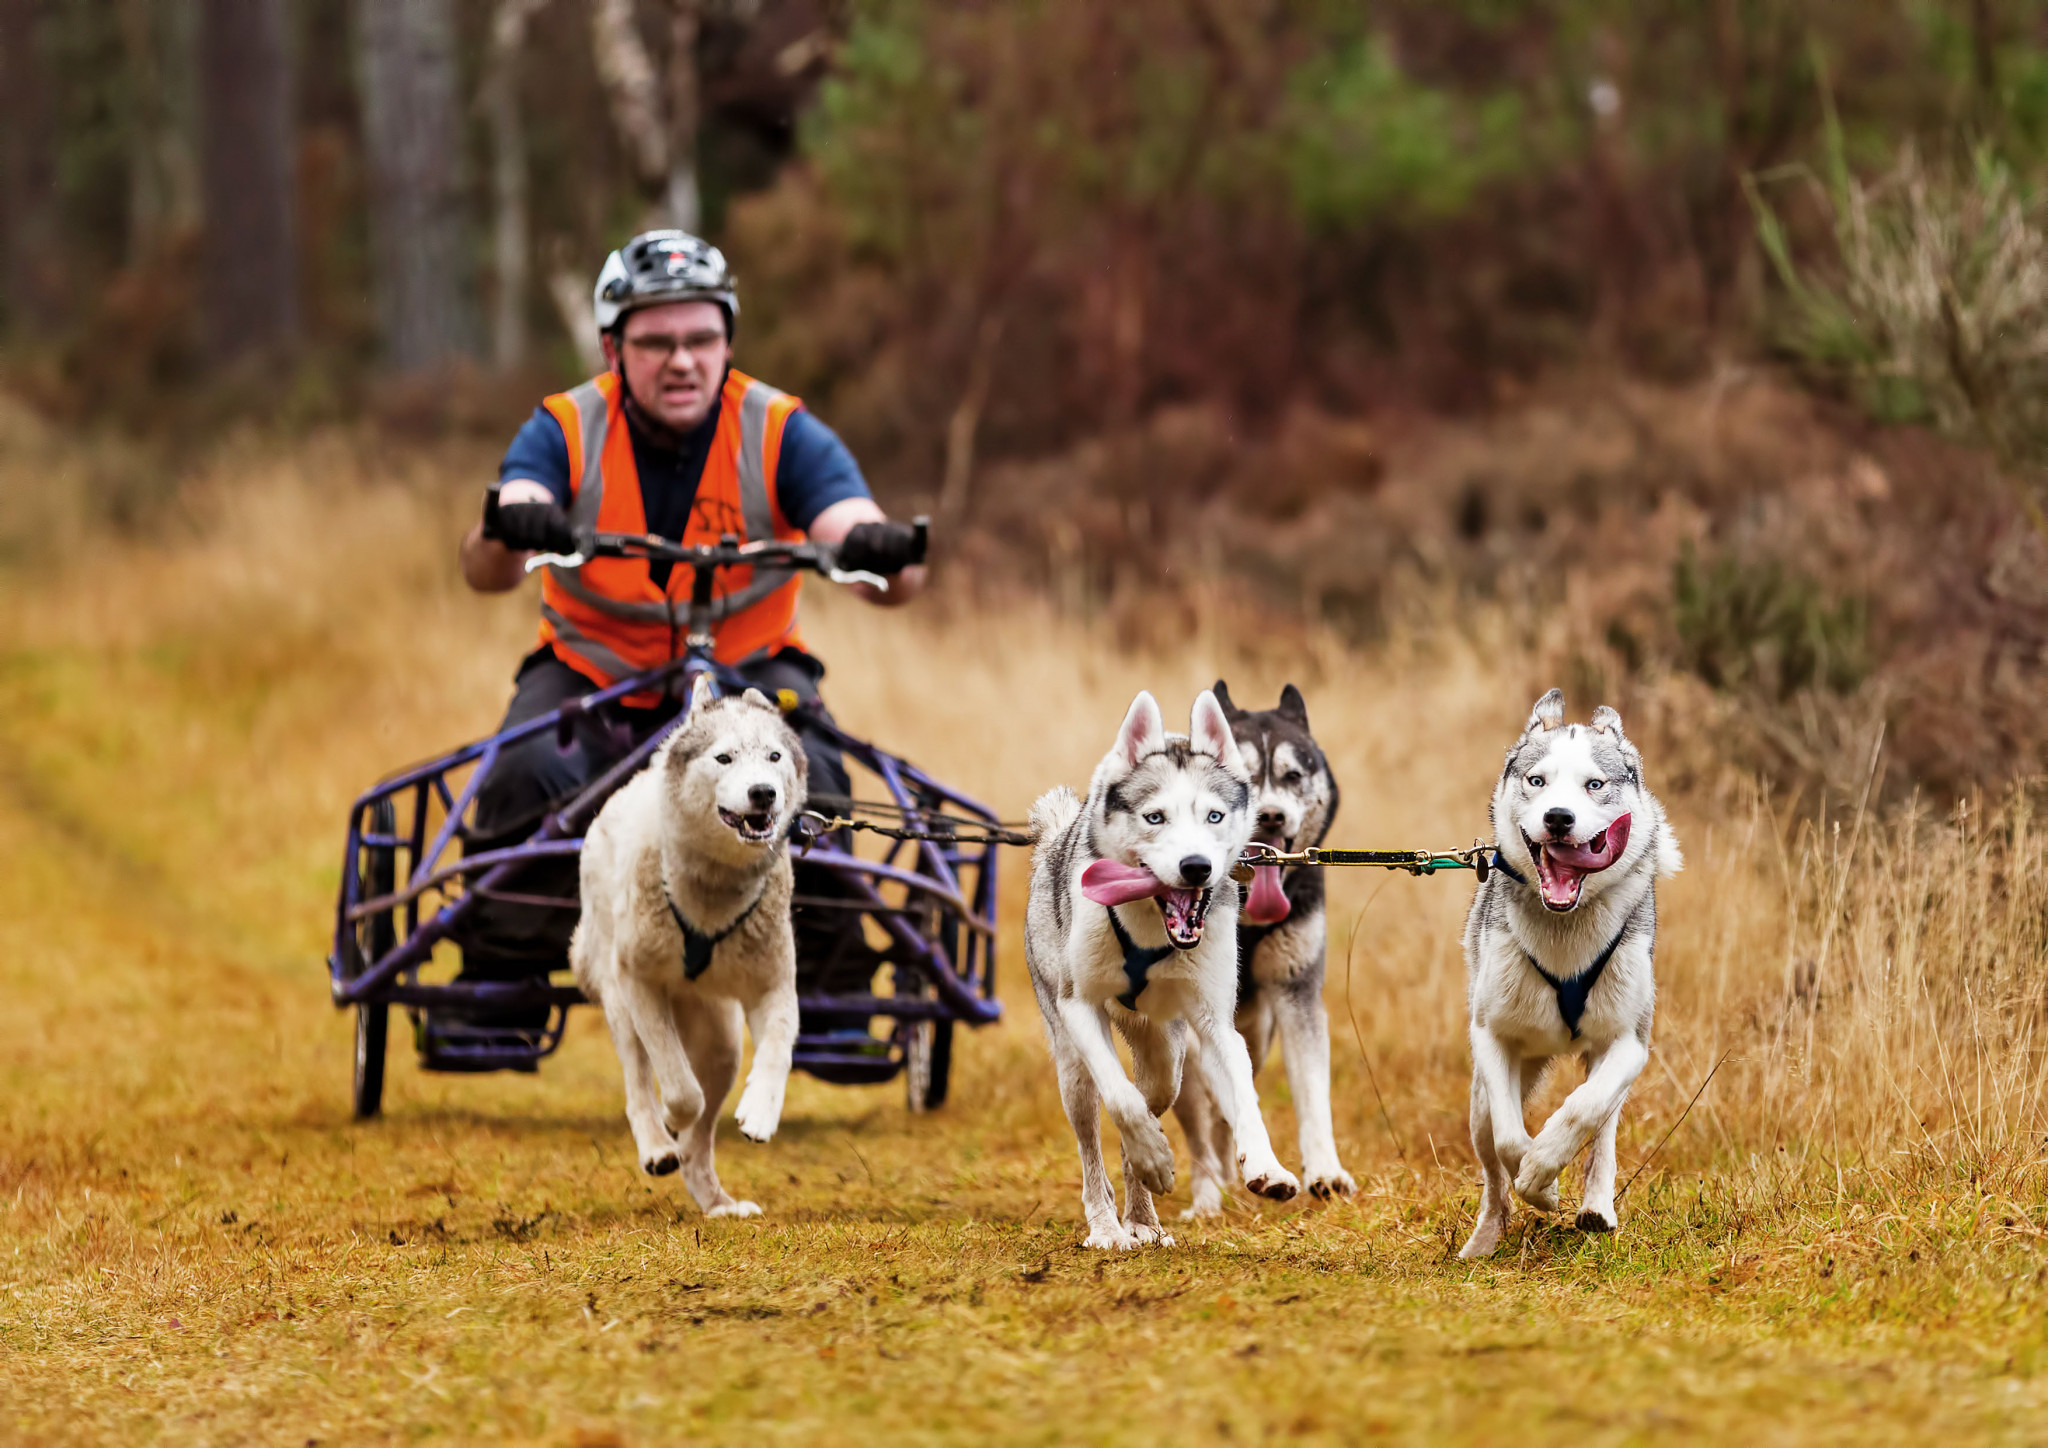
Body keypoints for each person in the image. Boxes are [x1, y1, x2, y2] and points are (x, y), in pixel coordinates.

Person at [448, 229, 925, 1004]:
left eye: (702, 339)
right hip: (593, 671)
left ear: (727, 342)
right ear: (613, 348)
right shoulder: (567, 426)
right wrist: (516, 522)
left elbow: (855, 533)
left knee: (814, 778)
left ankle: (828, 994)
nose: (682, 361)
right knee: (528, 772)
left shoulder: (778, 428)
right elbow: (489, 559)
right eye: (657, 342)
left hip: (752, 675)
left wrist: (873, 546)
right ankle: (500, 983)